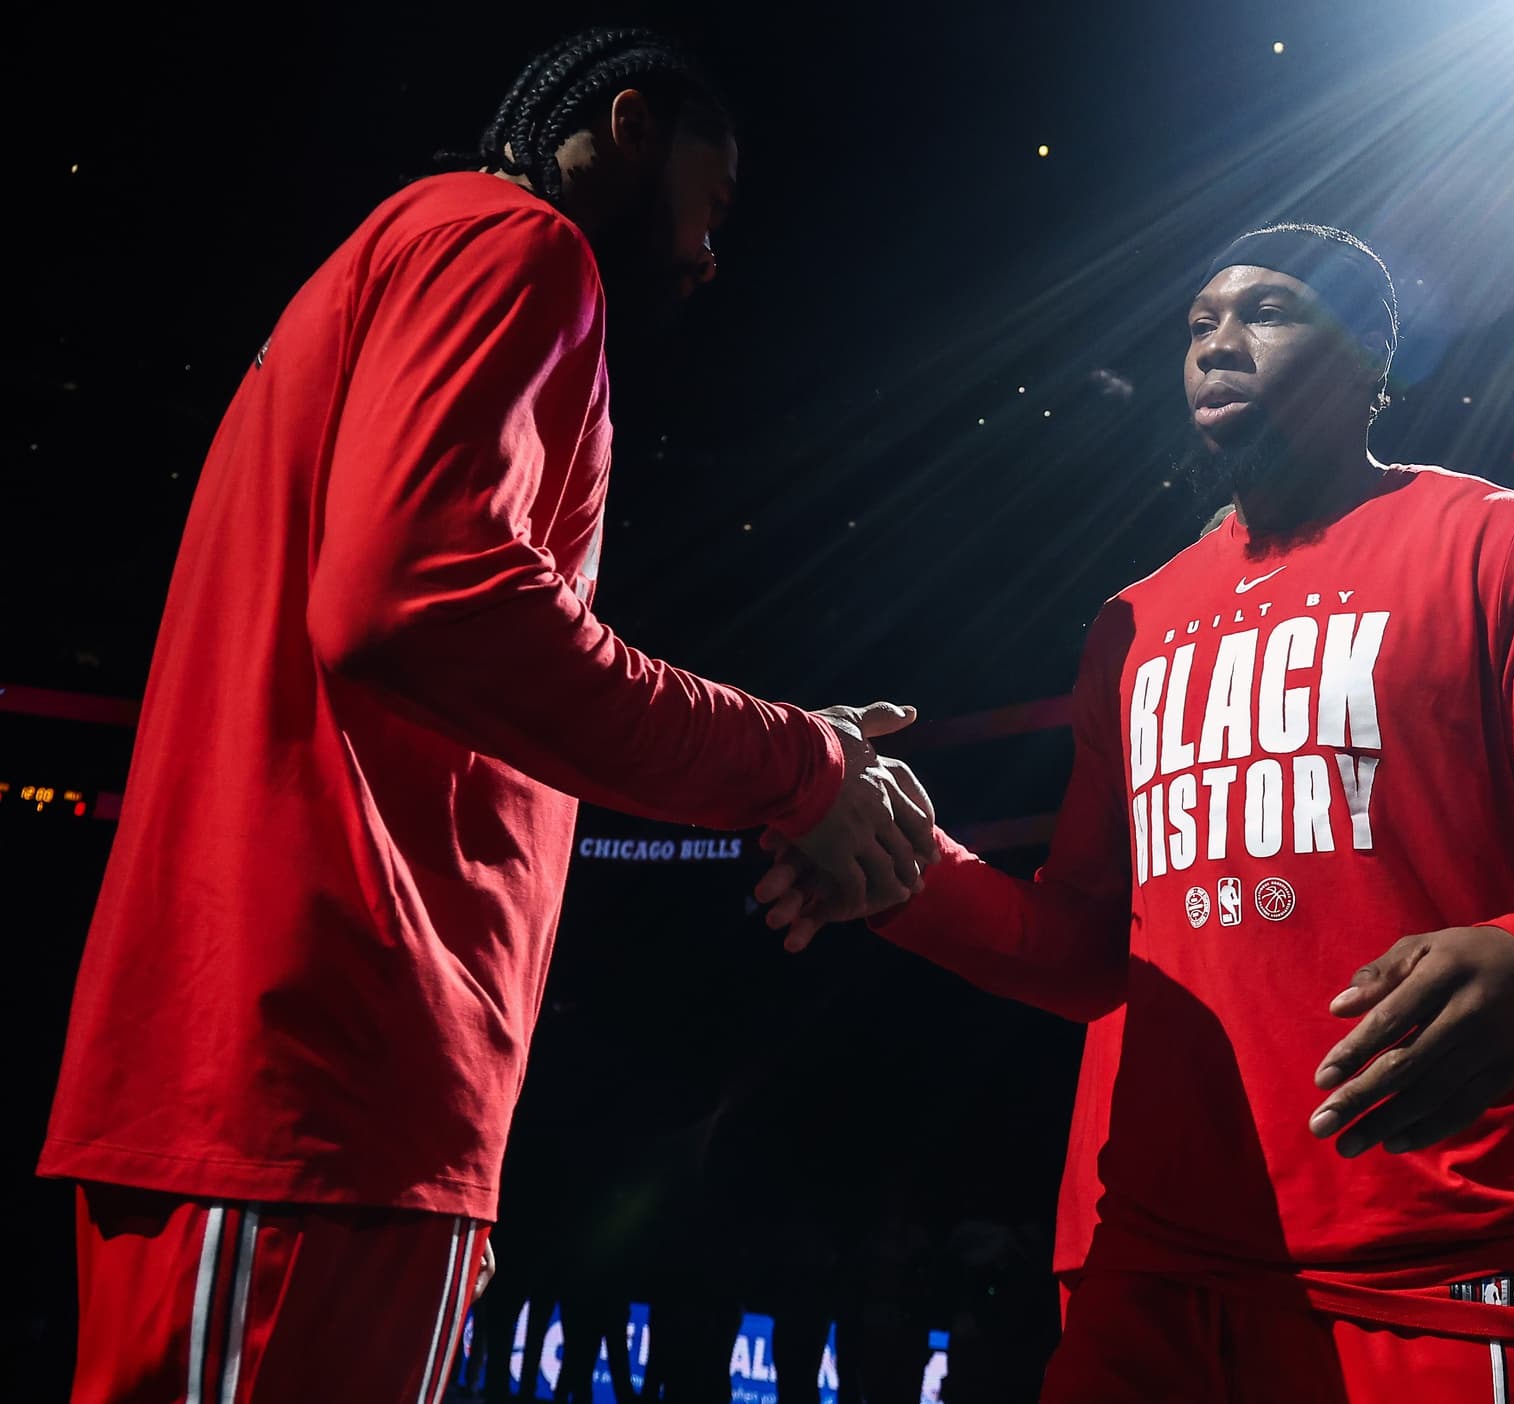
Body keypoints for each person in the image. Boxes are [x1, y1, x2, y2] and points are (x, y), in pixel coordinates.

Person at [39, 27, 936, 1404]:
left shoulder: (415, 257)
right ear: (631, 128)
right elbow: (424, 607)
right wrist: (793, 767)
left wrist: (794, 756)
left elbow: (448, 639)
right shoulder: (513, 242)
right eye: (716, 198)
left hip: (344, 1095)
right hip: (306, 1067)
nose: (708, 251)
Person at [760, 223, 1514, 1399]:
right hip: (1154, 1270)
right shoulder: (1132, 621)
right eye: (1199, 323)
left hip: (1438, 1260)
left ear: (1372, 354)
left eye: (1266, 311)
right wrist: (903, 873)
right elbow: (1079, 946)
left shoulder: (1501, 542)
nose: (1217, 338)